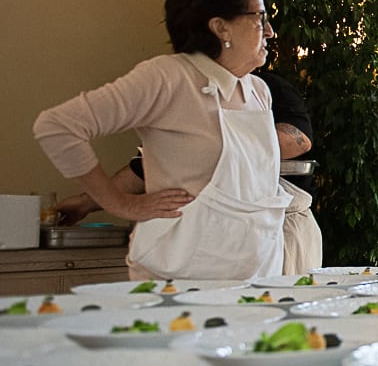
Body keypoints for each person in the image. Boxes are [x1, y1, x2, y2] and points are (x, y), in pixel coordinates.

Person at [34, 0, 292, 281]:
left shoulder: (258, 91)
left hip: (255, 274)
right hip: (180, 276)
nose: (269, 30)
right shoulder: (168, 77)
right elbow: (58, 127)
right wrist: (121, 204)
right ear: (220, 26)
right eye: (258, 17)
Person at [53, 70, 323, 275]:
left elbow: (297, 140)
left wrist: (207, 149)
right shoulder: (181, 94)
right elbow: (144, 168)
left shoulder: (263, 88)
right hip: (212, 238)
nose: (267, 34)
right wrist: (87, 202)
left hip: (280, 229)